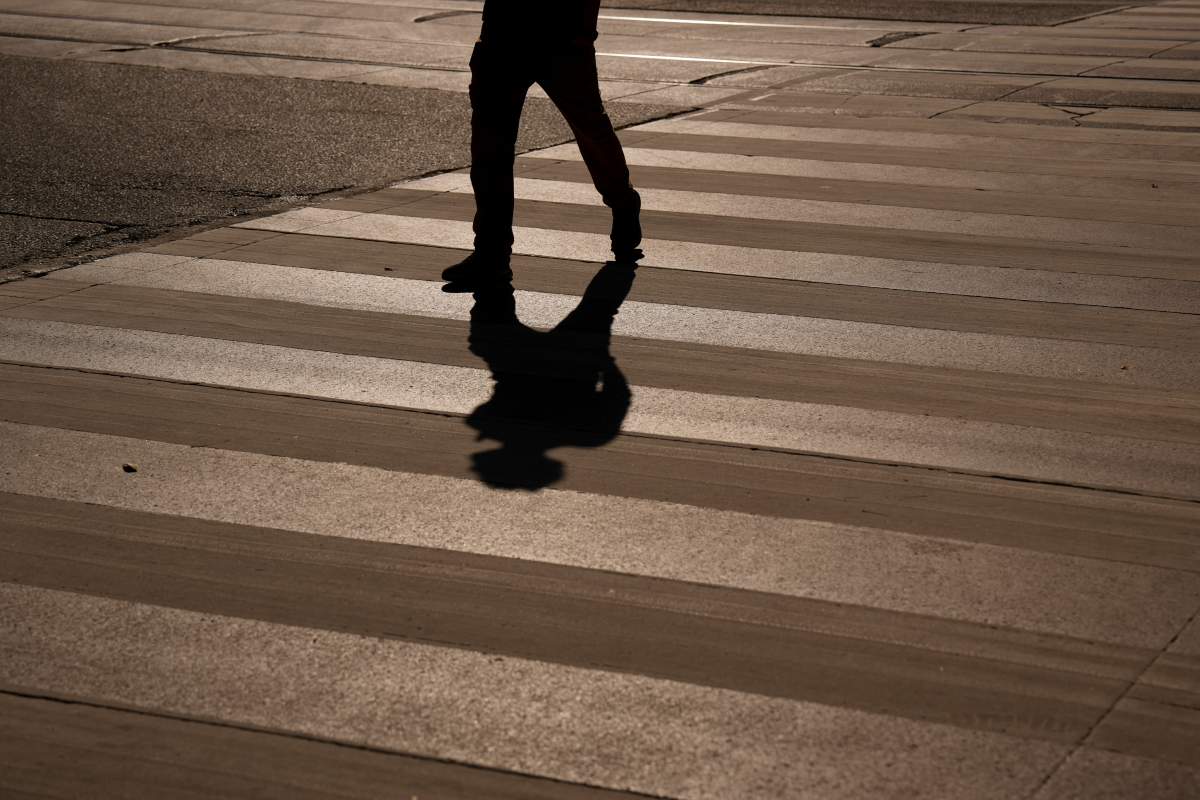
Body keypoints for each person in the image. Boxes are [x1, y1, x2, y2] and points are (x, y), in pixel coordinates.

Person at [442, 0, 642, 290]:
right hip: (503, 33)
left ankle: (623, 201)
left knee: (591, 130)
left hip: (562, 34)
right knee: (490, 148)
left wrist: (584, 29)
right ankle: (491, 253)